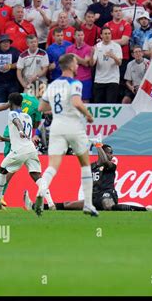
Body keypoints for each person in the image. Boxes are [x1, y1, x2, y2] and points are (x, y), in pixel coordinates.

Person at [37, 53, 98, 217]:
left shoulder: (52, 85)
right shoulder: (75, 83)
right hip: (73, 125)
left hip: (56, 126)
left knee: (52, 165)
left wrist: (58, 110)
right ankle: (89, 205)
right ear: (71, 66)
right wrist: (88, 115)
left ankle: (41, 191)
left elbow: (41, 108)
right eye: (76, 63)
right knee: (85, 164)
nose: (78, 66)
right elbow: (77, 102)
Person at [24, 143, 152, 212]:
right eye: (109, 153)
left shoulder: (112, 164)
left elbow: (105, 161)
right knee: (68, 205)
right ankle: (36, 206)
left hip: (107, 194)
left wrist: (99, 147)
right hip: (94, 197)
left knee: (108, 205)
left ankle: (144, 209)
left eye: (111, 153)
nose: (111, 155)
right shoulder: (91, 166)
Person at [0, 92, 53, 213]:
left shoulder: (12, 113)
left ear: (10, 103)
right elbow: (25, 137)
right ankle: (51, 203)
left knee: (2, 170)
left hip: (19, 151)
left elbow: (16, 122)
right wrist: (3, 139)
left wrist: (20, 130)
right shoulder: (28, 117)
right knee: (37, 176)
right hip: (31, 149)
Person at [91, 27, 123, 103]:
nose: (107, 35)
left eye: (109, 33)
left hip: (113, 79)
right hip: (99, 79)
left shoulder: (116, 46)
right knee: (98, 105)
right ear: (101, 35)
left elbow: (119, 63)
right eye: (105, 34)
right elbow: (92, 63)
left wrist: (113, 56)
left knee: (110, 105)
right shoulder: (97, 46)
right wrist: (91, 54)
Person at [0, 34, 21, 102]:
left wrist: (10, 66)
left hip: (12, 82)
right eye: (4, 42)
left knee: (13, 103)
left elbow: (20, 64)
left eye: (8, 42)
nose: (6, 44)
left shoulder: (15, 51)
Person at [65, 29, 93, 102]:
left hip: (85, 79)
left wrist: (75, 56)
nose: (80, 37)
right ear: (74, 36)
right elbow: (68, 64)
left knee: (85, 100)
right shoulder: (69, 49)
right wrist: (82, 61)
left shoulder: (89, 48)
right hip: (73, 79)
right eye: (78, 35)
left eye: (82, 35)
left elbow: (87, 64)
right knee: (72, 100)